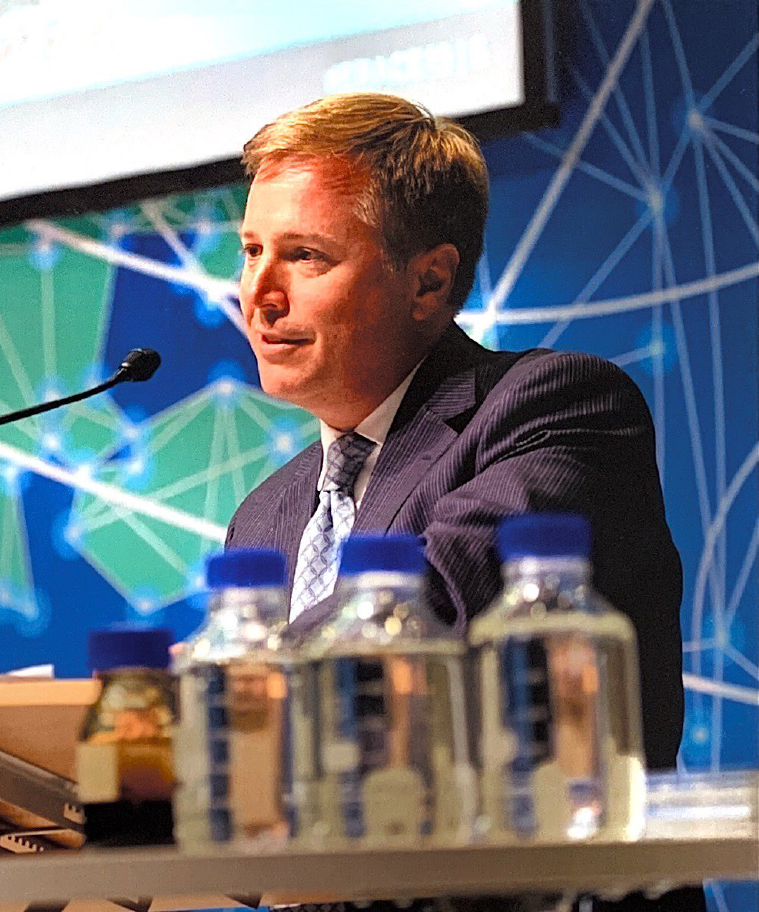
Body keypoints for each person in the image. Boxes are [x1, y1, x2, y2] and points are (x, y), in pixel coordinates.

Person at [223, 88, 699, 912]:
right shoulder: (264, 515)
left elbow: (425, 612)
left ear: (429, 281)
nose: (258, 292)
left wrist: (183, 709)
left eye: (305, 257)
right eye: (251, 250)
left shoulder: (552, 408)